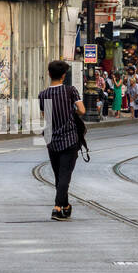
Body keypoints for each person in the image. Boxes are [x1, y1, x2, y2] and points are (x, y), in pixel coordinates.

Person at [38, 59, 86, 220]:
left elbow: (46, 116)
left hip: (52, 141)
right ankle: (57, 207)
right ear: (64, 76)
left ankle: (65, 206)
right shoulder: (70, 91)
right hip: (70, 139)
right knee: (65, 175)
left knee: (59, 176)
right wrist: (70, 114)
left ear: (49, 74)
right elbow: (82, 110)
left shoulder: (43, 95)